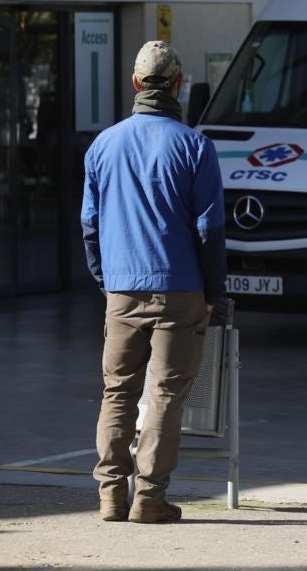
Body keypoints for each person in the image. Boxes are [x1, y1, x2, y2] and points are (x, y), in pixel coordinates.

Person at [81, 41, 226, 524]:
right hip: (180, 289)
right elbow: (209, 229)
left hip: (122, 290)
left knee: (117, 392)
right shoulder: (195, 146)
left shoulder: (103, 144)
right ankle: (149, 498)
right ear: (178, 84)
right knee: (165, 394)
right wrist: (214, 292)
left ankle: (109, 496)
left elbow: (90, 225)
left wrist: (107, 282)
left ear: (136, 83)